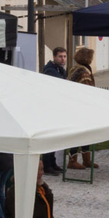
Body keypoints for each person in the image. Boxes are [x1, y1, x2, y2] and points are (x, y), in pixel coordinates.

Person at [68, 48, 98, 170]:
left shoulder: (76, 69)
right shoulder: (83, 72)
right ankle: (72, 160)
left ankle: (86, 159)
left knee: (86, 133)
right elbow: (88, 90)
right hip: (81, 107)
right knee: (80, 133)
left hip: (78, 106)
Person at [40, 46, 67, 175]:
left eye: (64, 56)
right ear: (54, 57)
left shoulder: (60, 69)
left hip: (56, 106)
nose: (63, 59)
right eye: (60, 56)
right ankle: (47, 164)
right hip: (49, 107)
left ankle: (52, 162)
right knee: (49, 137)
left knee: (54, 137)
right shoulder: (50, 70)